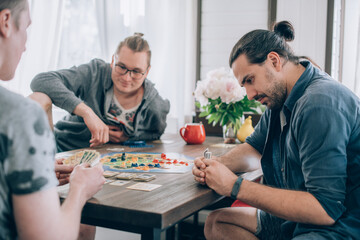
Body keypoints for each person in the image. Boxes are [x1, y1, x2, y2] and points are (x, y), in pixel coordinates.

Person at [193, 21, 360, 239]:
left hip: (339, 224)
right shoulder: (279, 97)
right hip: (300, 219)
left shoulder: (319, 104)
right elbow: (254, 148)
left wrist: (234, 186)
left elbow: (325, 208)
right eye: (244, 86)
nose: (250, 94)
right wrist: (216, 166)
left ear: (274, 61)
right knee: (217, 223)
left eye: (250, 80)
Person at [0, 0, 105, 239]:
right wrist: (79, 189)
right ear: (5, 22)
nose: (25, 45)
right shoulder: (21, 116)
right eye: (25, 28)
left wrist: (39, 170)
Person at [30, 33, 170, 152]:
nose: (127, 77)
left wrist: (128, 138)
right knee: (38, 97)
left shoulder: (156, 105)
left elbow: (155, 134)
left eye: (136, 71)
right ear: (112, 60)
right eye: (121, 67)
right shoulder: (95, 73)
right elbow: (41, 80)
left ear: (147, 71)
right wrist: (87, 112)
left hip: (105, 163)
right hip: (64, 148)